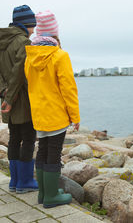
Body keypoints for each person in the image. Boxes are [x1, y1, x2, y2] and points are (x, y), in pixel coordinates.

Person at [24, 11, 80, 208]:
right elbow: (68, 88)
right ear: (55, 33)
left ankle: (43, 194)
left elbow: (30, 85)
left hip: (39, 114)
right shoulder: (60, 55)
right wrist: (75, 116)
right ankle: (51, 196)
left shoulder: (29, 56)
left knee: (42, 151)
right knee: (54, 153)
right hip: (56, 114)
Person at [0, 5, 38, 194]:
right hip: (23, 99)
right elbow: (19, 71)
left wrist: (3, 92)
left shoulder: (2, 42)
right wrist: (10, 97)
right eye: (33, 25)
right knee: (28, 139)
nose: (34, 30)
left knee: (14, 138)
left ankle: (15, 182)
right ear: (27, 23)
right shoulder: (24, 42)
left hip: (7, 100)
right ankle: (25, 182)